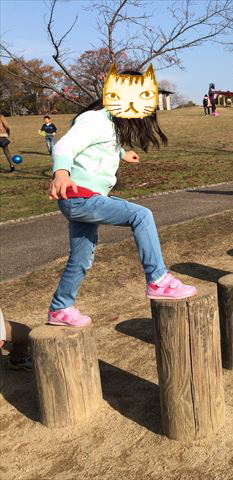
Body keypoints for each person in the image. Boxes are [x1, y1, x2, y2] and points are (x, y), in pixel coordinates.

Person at [47, 69, 197, 327]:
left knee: (81, 257)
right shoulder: (94, 120)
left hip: (82, 199)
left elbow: (101, 146)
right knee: (141, 215)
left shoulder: (109, 124)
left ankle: (60, 308)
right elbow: (64, 146)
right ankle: (157, 279)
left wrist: (122, 154)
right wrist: (61, 173)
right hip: (80, 197)